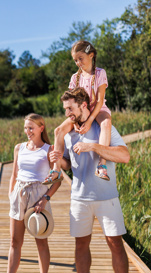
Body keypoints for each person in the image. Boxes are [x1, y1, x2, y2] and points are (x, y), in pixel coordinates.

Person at [49, 87, 133, 273]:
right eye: (65, 109)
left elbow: (124, 156)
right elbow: (68, 164)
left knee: (115, 244)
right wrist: (60, 160)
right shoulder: (68, 133)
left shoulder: (103, 127)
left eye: (70, 109)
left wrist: (93, 146)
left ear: (83, 105)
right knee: (80, 245)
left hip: (107, 198)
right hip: (79, 198)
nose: (67, 113)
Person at [0, 113, 61, 273]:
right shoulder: (19, 148)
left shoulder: (49, 149)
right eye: (25, 128)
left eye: (31, 128)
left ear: (41, 128)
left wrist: (45, 199)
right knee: (15, 241)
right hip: (19, 195)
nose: (28, 131)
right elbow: (14, 174)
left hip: (39, 196)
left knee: (41, 241)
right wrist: (10, 194)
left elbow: (58, 180)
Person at [44, 40, 113, 185]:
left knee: (106, 124)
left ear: (91, 55)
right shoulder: (74, 77)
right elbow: (71, 103)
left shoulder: (100, 73)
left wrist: (89, 121)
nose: (77, 62)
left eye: (80, 58)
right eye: (75, 60)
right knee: (58, 130)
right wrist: (75, 121)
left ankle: (102, 164)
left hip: (97, 109)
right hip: (79, 111)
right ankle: (56, 170)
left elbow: (100, 101)